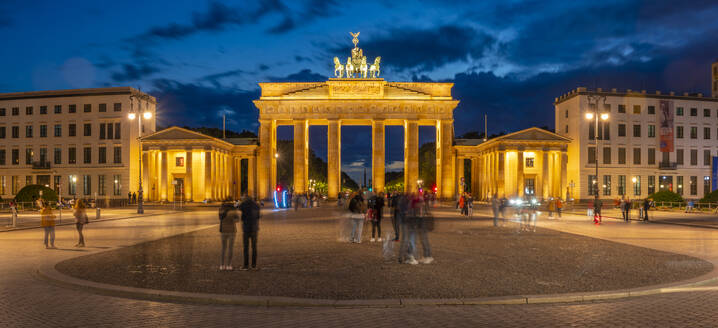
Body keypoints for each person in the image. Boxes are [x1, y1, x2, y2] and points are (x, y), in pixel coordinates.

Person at [239, 197, 261, 270]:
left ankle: (246, 265)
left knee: (246, 247)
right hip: (254, 229)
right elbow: (258, 217)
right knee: (254, 247)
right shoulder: (256, 206)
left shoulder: (244, 206)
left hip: (246, 229)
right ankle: (254, 265)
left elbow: (239, 208)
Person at [218, 201, 239, 271]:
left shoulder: (221, 210)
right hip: (232, 231)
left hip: (223, 231)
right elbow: (237, 220)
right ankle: (229, 265)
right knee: (230, 249)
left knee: (223, 248)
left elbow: (220, 218)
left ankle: (221, 265)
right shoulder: (234, 211)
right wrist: (233, 220)